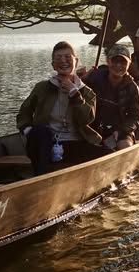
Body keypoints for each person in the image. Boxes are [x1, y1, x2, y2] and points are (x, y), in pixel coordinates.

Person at [16, 41, 101, 174]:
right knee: (40, 132)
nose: (63, 61)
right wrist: (28, 130)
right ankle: (41, 177)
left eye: (68, 57)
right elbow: (24, 112)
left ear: (76, 61)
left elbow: (87, 119)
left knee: (108, 155)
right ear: (53, 64)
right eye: (58, 58)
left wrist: (74, 93)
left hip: (74, 143)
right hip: (46, 143)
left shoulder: (87, 92)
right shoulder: (42, 88)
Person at [82, 43, 139, 151]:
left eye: (123, 62)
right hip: (95, 129)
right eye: (115, 61)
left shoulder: (132, 87)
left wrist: (121, 131)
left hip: (120, 132)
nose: (118, 65)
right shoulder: (95, 78)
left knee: (125, 147)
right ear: (108, 61)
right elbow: (78, 94)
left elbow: (135, 117)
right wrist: (81, 78)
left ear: (129, 64)